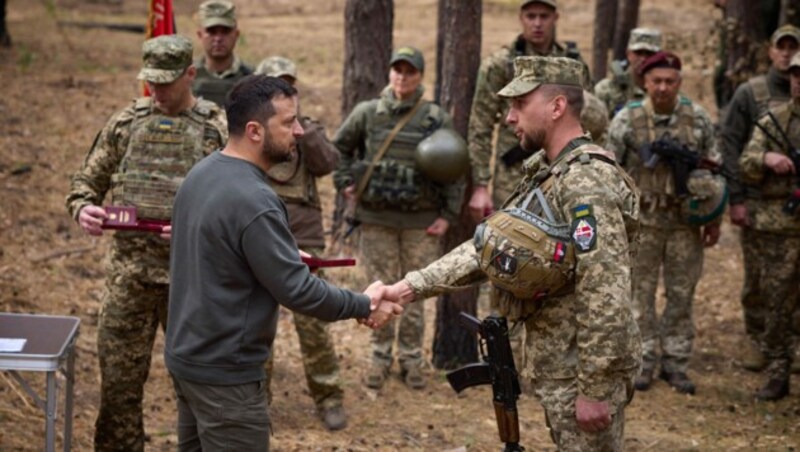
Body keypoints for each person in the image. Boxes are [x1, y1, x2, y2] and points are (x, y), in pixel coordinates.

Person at [382, 56, 641, 450]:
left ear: (557, 107)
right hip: (559, 365)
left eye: (520, 105)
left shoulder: (586, 181)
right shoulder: (548, 172)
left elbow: (605, 291)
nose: (508, 117)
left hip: (579, 372)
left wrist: (595, 388)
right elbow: (489, 248)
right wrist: (406, 288)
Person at [165, 75, 402, 451]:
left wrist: (283, 255)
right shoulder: (256, 199)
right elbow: (297, 291)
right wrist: (364, 303)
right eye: (289, 122)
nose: (299, 131)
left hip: (188, 362)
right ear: (255, 131)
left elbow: (221, 253)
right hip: (228, 378)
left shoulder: (201, 175)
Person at [64, 35, 227, 451]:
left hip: (191, 283)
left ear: (190, 75)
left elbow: (242, 204)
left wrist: (199, 228)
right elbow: (84, 184)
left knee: (199, 389)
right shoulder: (126, 124)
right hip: (130, 279)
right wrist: (83, 208)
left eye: (166, 83)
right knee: (118, 389)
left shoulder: (216, 130)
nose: (156, 91)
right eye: (150, 82)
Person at [332, 47, 463, 390]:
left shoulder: (434, 118)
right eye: (397, 70)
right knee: (376, 292)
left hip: (421, 223)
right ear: (390, 73)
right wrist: (345, 181)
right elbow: (340, 148)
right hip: (376, 219)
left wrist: (448, 216)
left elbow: (455, 167)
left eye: (410, 71)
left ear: (420, 76)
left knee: (413, 293)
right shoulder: (368, 113)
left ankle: (410, 359)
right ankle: (379, 357)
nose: (402, 77)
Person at [606, 51, 721, 394]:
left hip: (685, 222)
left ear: (679, 83)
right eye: (656, 81)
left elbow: (714, 167)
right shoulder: (626, 120)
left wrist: (713, 217)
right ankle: (641, 361)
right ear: (644, 82)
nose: (662, 88)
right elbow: (609, 168)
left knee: (681, 294)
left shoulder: (697, 119)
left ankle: (676, 362)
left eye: (670, 81)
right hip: (642, 222)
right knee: (639, 296)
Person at [253, 56, 348, 430]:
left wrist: (302, 132)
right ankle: (258, 401)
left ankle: (329, 397)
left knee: (313, 322)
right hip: (260, 234)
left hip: (303, 235)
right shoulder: (253, 132)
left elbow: (328, 164)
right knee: (258, 321)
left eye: (287, 84)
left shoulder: (307, 130)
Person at [720, 24, 800, 372]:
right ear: (771, 51)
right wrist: (736, 198)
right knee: (759, 280)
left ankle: (787, 345)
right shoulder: (751, 95)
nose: (785, 54)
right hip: (760, 205)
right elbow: (732, 147)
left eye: (792, 48)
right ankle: (759, 341)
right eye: (780, 48)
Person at [467, 0, 591, 224]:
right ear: (521, 18)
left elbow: (585, 117)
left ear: (555, 18)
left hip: (563, 169)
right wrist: (481, 185)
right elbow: (480, 126)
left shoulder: (571, 64)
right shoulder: (501, 64)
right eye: (531, 16)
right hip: (513, 174)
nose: (537, 23)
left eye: (544, 16)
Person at [738, 52, 800, 401]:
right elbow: (746, 164)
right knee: (776, 299)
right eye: (795, 74)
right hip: (779, 225)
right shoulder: (772, 120)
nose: (798, 81)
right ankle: (778, 370)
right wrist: (766, 158)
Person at [192, 0, 253, 106]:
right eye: (212, 31)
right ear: (200, 35)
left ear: (236, 34)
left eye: (225, 31)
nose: (218, 38)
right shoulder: (187, 78)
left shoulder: (252, 79)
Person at [594, 27, 662, 119]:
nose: (643, 59)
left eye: (649, 54)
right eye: (638, 53)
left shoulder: (666, 92)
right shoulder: (606, 90)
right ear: (628, 54)